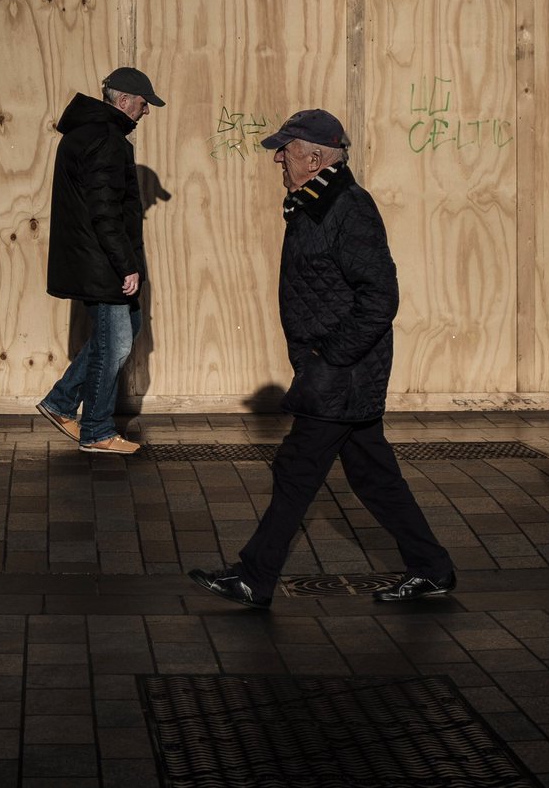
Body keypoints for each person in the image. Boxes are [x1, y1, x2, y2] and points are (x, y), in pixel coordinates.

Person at [188, 109, 456, 609]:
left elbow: (379, 295)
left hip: (342, 373)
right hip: (334, 371)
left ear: (314, 157)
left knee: (296, 470)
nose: (277, 157)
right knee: (374, 476)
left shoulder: (348, 208)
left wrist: (328, 358)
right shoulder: (312, 203)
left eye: (285, 149)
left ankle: (253, 576)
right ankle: (432, 568)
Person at [36, 67, 164, 454]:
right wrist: (126, 264)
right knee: (116, 344)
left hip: (93, 258)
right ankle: (96, 430)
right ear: (124, 101)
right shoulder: (108, 141)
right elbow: (105, 211)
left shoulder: (84, 135)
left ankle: (61, 401)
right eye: (143, 104)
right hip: (102, 262)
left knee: (127, 328)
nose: (146, 112)